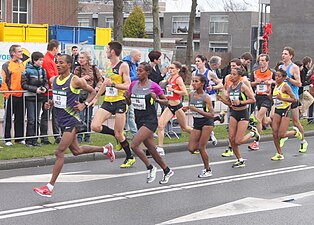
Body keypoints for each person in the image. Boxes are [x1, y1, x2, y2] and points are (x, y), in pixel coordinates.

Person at [33, 54, 115, 198]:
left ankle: (49, 187)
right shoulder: (54, 80)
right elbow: (58, 97)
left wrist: (85, 104)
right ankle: (105, 149)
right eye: (57, 63)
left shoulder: (75, 80)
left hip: (72, 120)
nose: (58, 65)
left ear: (69, 65)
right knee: (77, 150)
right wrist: (50, 103)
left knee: (59, 152)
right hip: (62, 120)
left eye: (61, 63)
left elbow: (93, 92)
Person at [125, 62, 174, 184]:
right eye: (137, 71)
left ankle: (150, 167)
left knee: (134, 145)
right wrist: (127, 97)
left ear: (147, 72)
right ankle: (167, 170)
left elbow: (166, 102)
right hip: (139, 119)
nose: (138, 73)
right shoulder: (133, 85)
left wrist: (156, 98)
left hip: (150, 120)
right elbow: (130, 103)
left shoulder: (154, 86)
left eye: (141, 71)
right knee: (152, 149)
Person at [90, 41, 136, 168]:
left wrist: (114, 85)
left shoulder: (123, 65)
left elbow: (127, 85)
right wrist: (96, 98)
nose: (106, 51)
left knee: (119, 133)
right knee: (95, 126)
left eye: (107, 49)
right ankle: (115, 136)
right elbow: (105, 83)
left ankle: (130, 157)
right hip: (108, 101)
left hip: (120, 102)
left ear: (113, 51)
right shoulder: (108, 65)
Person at [217, 68, 258, 168]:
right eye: (231, 74)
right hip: (234, 112)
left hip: (243, 113)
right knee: (231, 139)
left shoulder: (243, 86)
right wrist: (222, 99)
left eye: (234, 74)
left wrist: (241, 102)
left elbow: (252, 99)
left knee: (238, 141)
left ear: (239, 76)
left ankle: (253, 133)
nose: (231, 76)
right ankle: (239, 159)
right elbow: (230, 103)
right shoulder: (230, 87)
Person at [157, 61, 192, 155]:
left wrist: (174, 90)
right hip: (169, 106)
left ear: (178, 70)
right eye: (170, 68)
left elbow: (185, 92)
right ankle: (160, 148)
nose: (170, 70)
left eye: (172, 68)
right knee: (160, 125)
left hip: (177, 107)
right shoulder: (170, 78)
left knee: (184, 128)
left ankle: (201, 135)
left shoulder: (178, 79)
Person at [185, 73, 215, 177]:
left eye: (196, 81)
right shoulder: (191, 94)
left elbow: (212, 114)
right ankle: (205, 137)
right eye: (193, 81)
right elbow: (190, 106)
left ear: (202, 83)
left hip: (207, 122)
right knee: (191, 148)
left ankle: (207, 169)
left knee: (202, 147)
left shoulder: (206, 97)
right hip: (196, 122)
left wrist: (197, 110)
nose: (194, 83)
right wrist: (186, 108)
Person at [279, 47, 308, 153]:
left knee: (296, 121)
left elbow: (299, 83)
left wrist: (288, 79)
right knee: (277, 118)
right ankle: (283, 135)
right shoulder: (281, 67)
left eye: (285, 54)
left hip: (292, 97)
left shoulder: (294, 67)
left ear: (291, 56)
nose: (283, 55)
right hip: (283, 98)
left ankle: (303, 141)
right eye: (282, 53)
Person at [74, 51, 103, 143]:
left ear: (87, 59)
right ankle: (79, 137)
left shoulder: (94, 68)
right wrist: (82, 79)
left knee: (88, 117)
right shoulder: (78, 69)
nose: (80, 60)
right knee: (80, 117)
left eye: (82, 58)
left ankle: (87, 136)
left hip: (91, 95)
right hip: (80, 95)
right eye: (80, 58)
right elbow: (74, 81)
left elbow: (100, 80)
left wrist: (97, 87)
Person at [271, 69, 300, 161]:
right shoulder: (275, 86)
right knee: (274, 133)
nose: (276, 78)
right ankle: (279, 153)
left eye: (279, 76)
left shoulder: (285, 86)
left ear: (283, 78)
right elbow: (275, 99)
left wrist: (282, 98)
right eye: (276, 76)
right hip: (277, 109)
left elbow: (294, 99)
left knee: (282, 134)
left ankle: (295, 132)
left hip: (286, 109)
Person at [21, 51, 49, 147]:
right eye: (40, 60)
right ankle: (29, 140)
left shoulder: (42, 70)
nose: (42, 62)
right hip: (30, 97)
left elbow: (46, 82)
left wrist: (45, 88)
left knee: (37, 119)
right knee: (31, 119)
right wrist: (35, 89)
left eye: (42, 60)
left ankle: (35, 140)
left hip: (39, 97)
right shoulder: (27, 71)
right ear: (34, 60)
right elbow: (24, 84)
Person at [248, 54, 274, 150]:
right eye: (260, 60)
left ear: (267, 62)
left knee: (258, 118)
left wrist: (270, 82)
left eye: (263, 60)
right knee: (264, 121)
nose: (261, 62)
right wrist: (256, 83)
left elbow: (278, 81)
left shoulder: (272, 72)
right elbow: (250, 83)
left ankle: (256, 142)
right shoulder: (255, 72)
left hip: (267, 97)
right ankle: (274, 119)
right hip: (257, 97)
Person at [1, 44, 26, 146]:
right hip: (10, 95)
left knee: (20, 118)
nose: (21, 53)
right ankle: (7, 139)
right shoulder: (7, 65)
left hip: (21, 95)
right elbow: (3, 81)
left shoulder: (22, 65)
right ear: (13, 53)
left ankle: (19, 138)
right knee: (8, 118)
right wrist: (7, 94)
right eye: (19, 51)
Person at [40, 39, 61, 145]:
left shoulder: (50, 59)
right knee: (46, 114)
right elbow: (51, 76)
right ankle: (45, 137)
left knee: (53, 114)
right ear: (55, 48)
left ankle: (56, 135)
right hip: (48, 92)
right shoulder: (48, 60)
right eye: (58, 48)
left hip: (52, 91)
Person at [122, 49, 142, 139]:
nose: (140, 57)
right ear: (133, 56)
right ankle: (134, 133)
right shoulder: (126, 64)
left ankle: (125, 132)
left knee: (128, 113)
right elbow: (126, 78)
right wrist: (137, 77)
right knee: (130, 113)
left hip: (134, 90)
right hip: (127, 91)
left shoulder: (136, 64)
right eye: (139, 56)